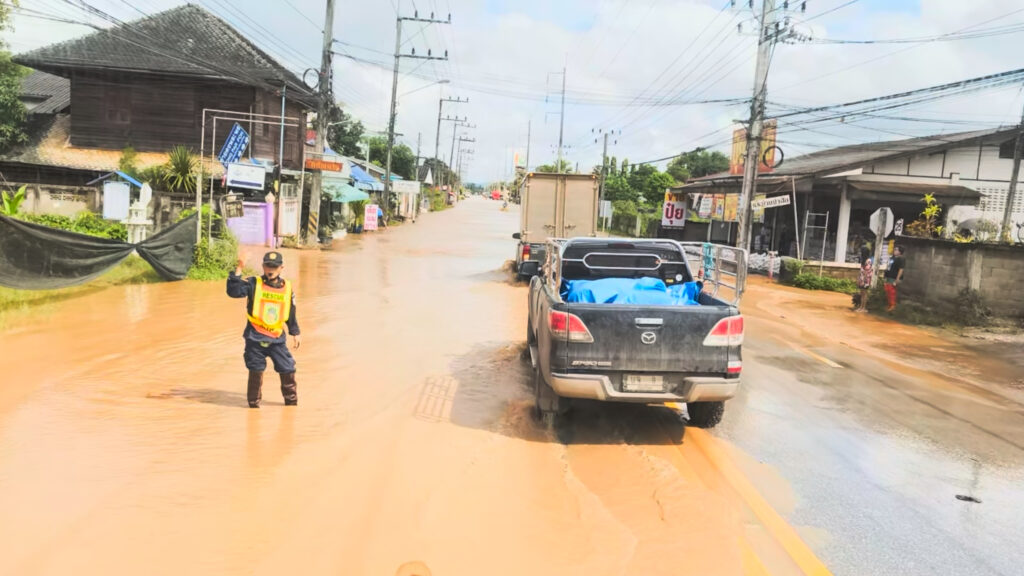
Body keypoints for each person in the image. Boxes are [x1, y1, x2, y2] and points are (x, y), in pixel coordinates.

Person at [227, 251, 301, 408]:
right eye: (268, 265)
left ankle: (291, 406)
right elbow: (233, 292)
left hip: (277, 339)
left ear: (281, 268)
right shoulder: (254, 283)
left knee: (288, 368)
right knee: (255, 371)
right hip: (255, 338)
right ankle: (253, 409)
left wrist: (295, 332)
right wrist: (239, 267)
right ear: (263, 266)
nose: (270, 269)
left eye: (274, 266)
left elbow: (290, 311)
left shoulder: (287, 288)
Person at [883, 245, 906, 312]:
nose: (894, 251)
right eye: (895, 249)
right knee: (887, 290)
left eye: (896, 250)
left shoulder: (901, 259)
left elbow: (901, 269)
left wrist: (897, 279)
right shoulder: (892, 258)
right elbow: (888, 267)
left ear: (900, 252)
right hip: (889, 276)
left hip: (894, 277)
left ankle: (893, 306)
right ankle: (889, 305)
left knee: (891, 291)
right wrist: (885, 276)